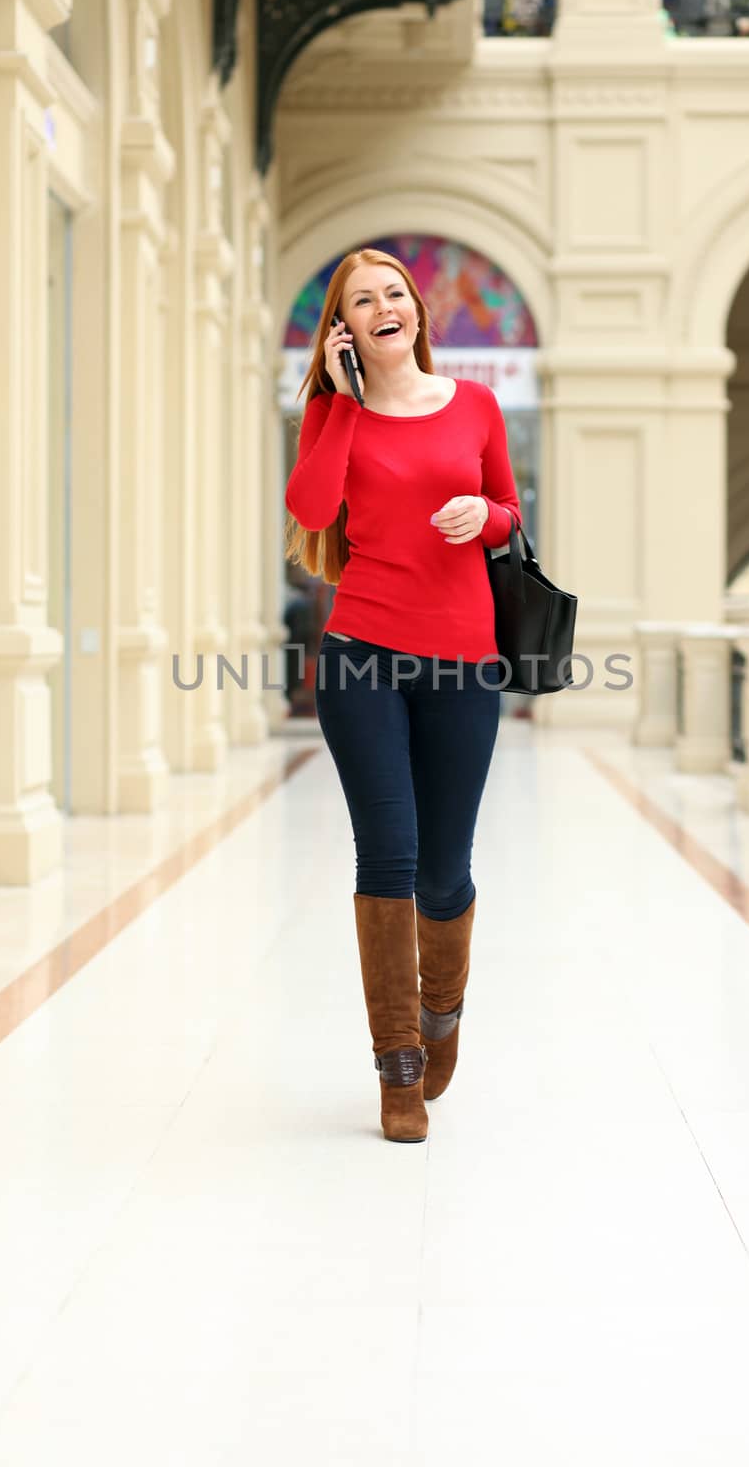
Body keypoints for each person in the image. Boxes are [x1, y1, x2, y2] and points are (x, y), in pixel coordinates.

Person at [283, 249, 521, 1144]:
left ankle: (443, 1012)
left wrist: (486, 519)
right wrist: (341, 402)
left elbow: (507, 506)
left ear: (416, 309)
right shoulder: (330, 412)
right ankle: (397, 1069)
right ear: (342, 328)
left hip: (464, 659)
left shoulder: (476, 406)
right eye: (361, 302)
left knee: (441, 870)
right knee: (385, 856)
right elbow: (310, 508)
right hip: (360, 656)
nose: (384, 307)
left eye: (394, 293)